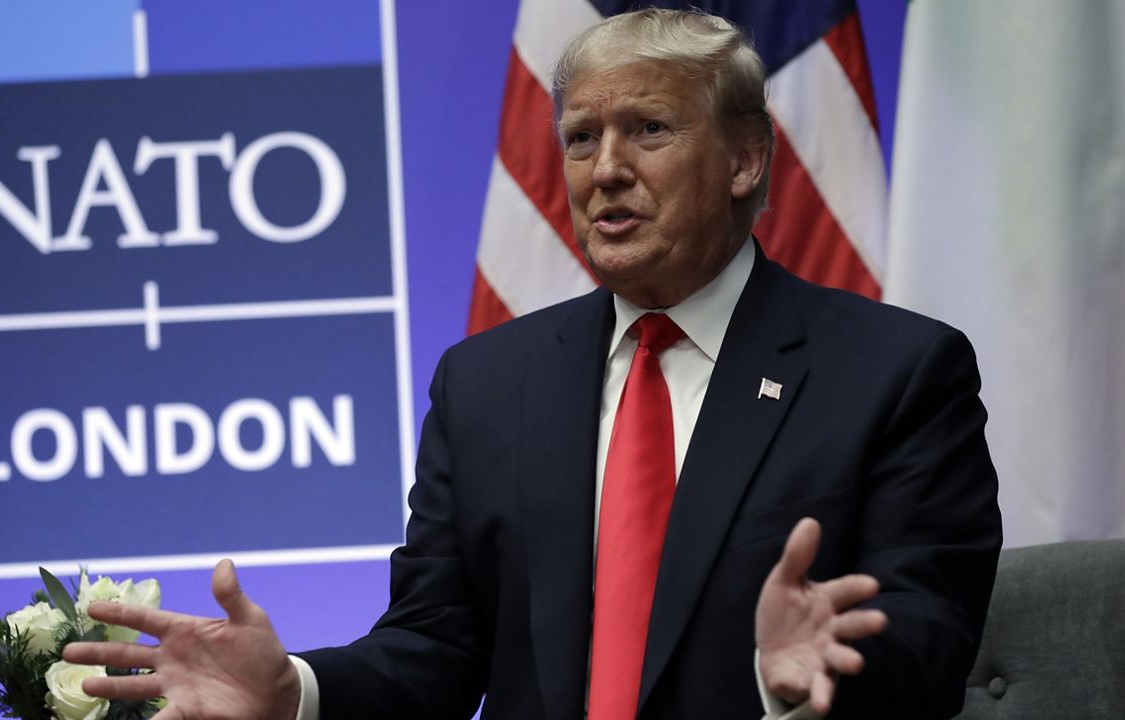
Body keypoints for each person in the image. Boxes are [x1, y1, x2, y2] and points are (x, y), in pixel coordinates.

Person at [65, 9, 1001, 719]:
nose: (605, 169)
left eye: (650, 130)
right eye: (582, 137)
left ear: (747, 159)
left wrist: (796, 680)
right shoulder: (486, 384)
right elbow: (436, 647)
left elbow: (933, 635)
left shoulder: (895, 373)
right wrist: (297, 692)